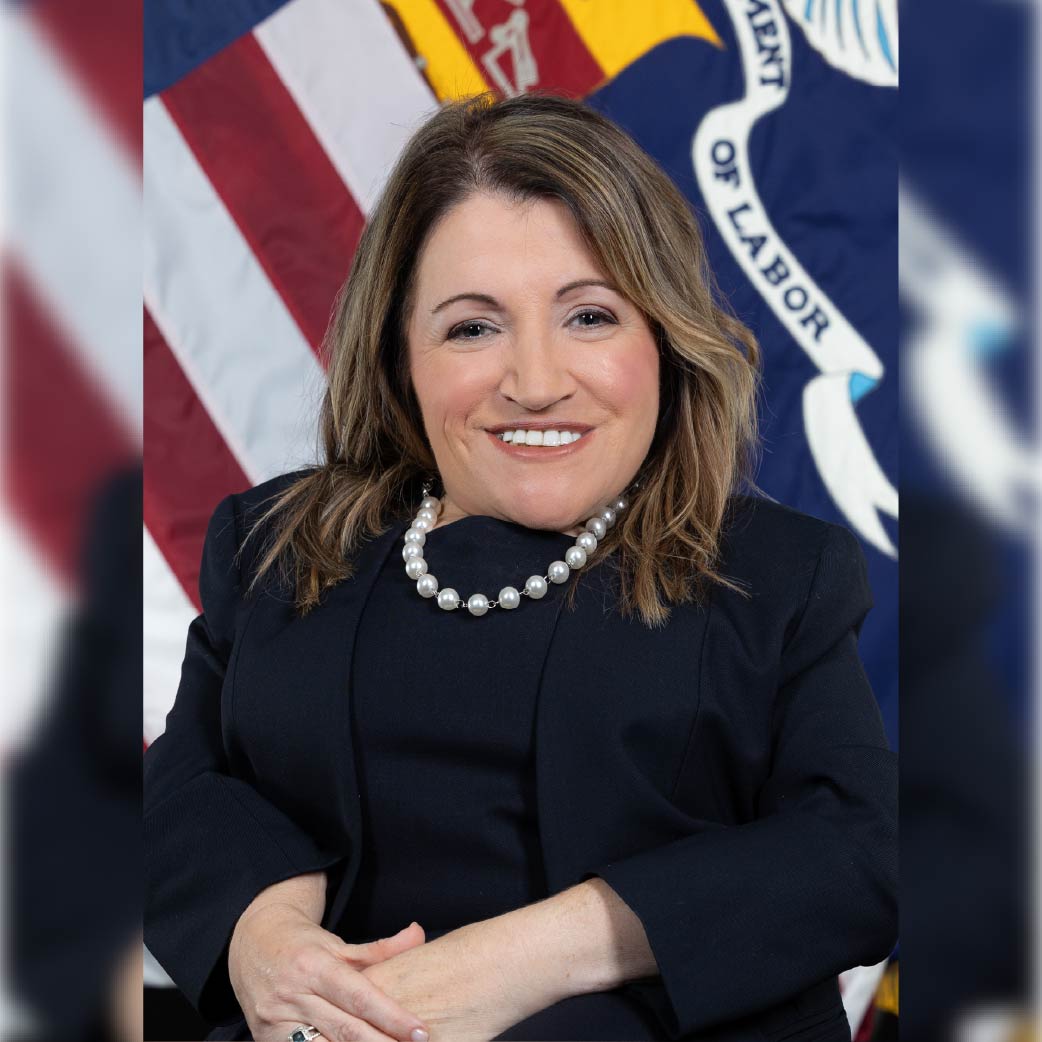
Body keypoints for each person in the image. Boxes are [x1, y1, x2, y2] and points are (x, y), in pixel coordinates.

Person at [144, 91, 898, 1042]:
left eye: (590, 317)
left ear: (663, 341)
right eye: (472, 327)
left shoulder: (776, 576)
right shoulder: (274, 546)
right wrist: (265, 932)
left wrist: (523, 962)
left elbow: (860, 855)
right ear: (399, 359)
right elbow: (181, 781)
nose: (536, 380)